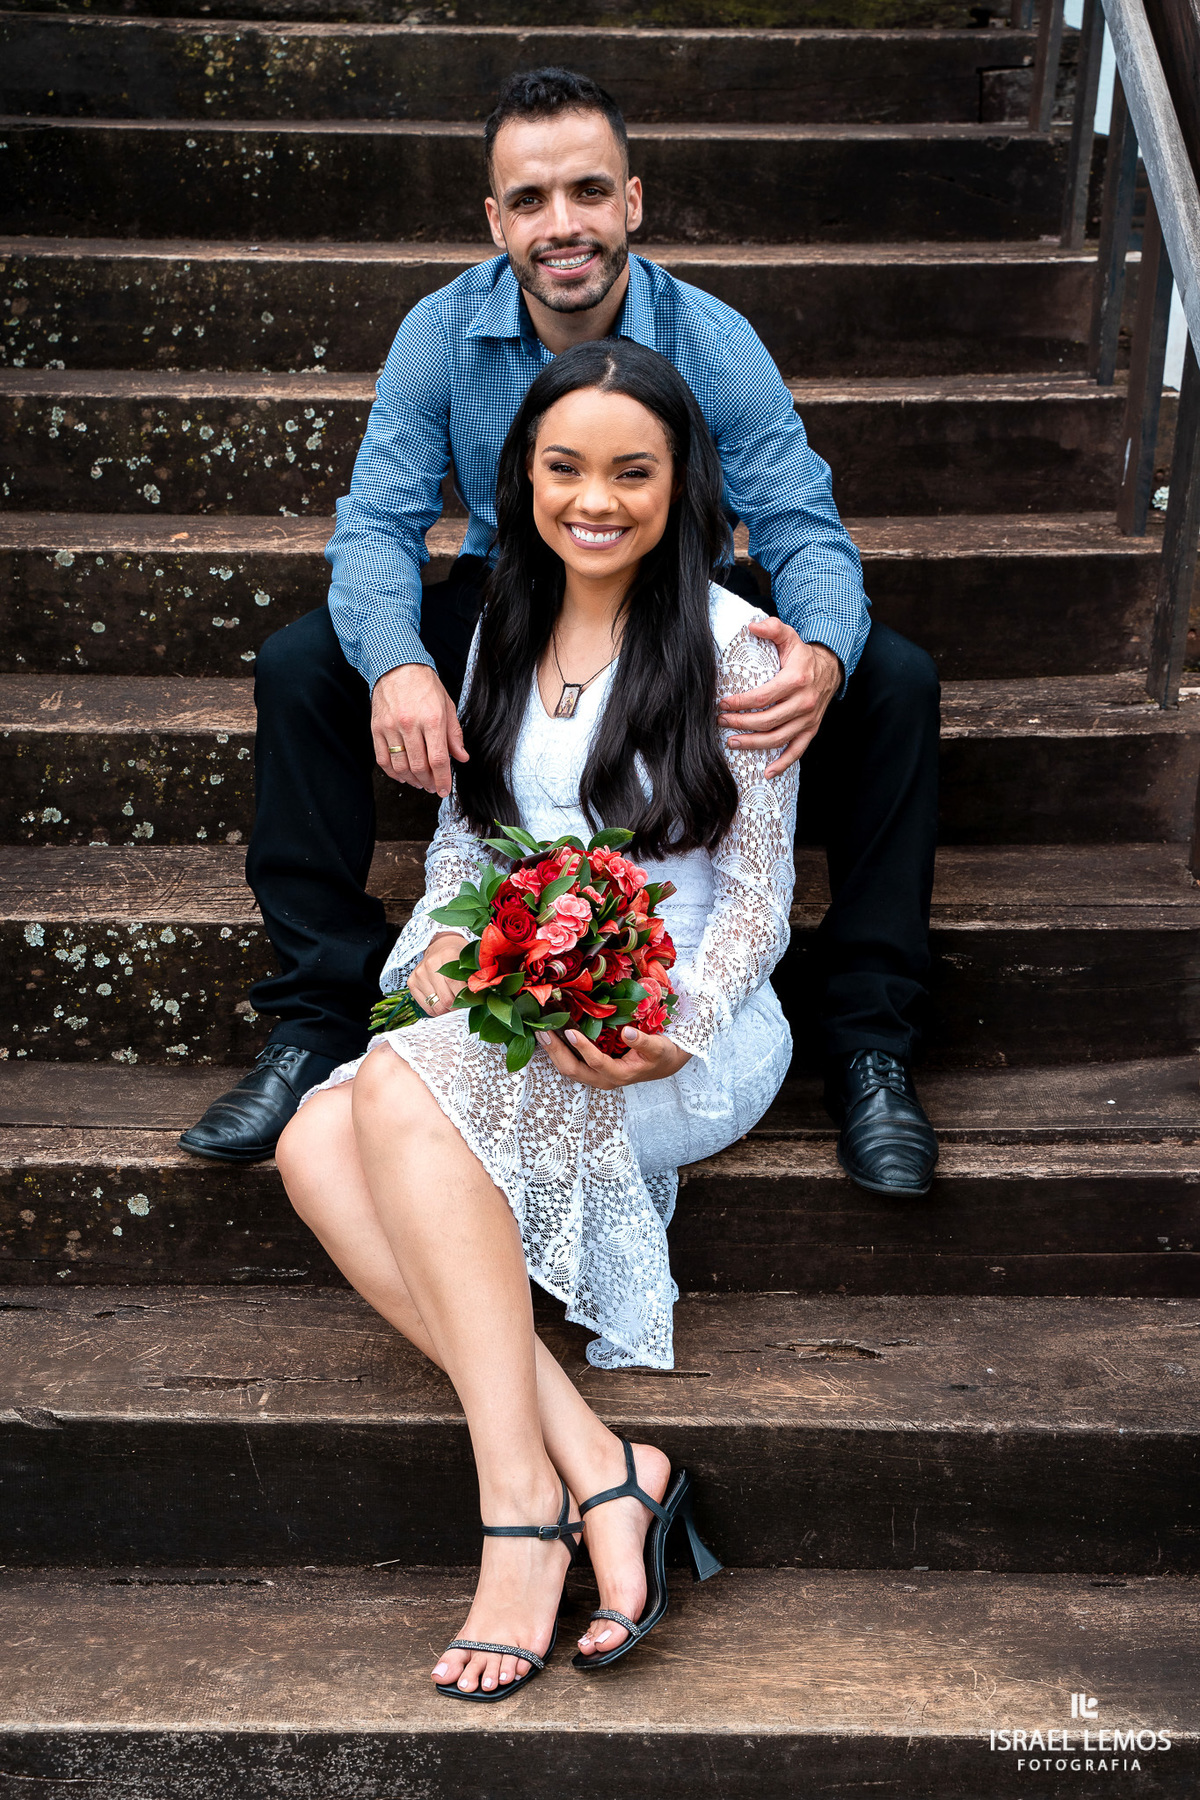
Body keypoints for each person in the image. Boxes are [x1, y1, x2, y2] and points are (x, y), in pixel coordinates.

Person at [181, 66, 940, 1197]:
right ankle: (314, 1018)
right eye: (530, 201)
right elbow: (377, 525)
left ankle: (870, 1040)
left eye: (588, 191)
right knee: (304, 666)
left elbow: (802, 524)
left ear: (632, 201)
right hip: (510, 587)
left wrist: (823, 651)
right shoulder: (440, 332)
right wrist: (397, 666)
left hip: (681, 584)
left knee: (895, 679)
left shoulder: (713, 339)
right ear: (496, 220)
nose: (562, 225)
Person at [275, 338, 793, 1694]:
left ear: (681, 487)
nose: (597, 498)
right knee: (309, 1146)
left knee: (377, 1098)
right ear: (524, 480)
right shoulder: (503, 619)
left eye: (635, 470)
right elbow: (465, 851)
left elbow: (756, 904)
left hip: (682, 1037)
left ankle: (521, 1528)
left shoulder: (744, 652)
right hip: (515, 1015)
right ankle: (605, 1470)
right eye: (566, 467)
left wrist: (671, 1017)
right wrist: (439, 947)